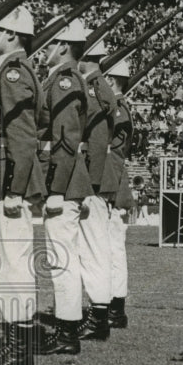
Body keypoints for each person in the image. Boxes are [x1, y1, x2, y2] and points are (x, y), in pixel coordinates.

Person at [0, 5, 47, 365]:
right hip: (6, 179)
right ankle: (15, 340)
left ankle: (19, 345)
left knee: (13, 264)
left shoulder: (12, 72)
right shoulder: (11, 69)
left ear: (12, 34)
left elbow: (22, 137)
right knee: (7, 264)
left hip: (10, 181)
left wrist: (14, 189)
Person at [35, 18, 94, 356]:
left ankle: (67, 333)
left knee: (62, 258)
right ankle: (65, 328)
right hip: (65, 179)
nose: (45, 49)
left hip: (63, 181)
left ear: (62, 45)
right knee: (62, 257)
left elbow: (66, 137)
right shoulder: (62, 78)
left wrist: (56, 188)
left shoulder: (64, 80)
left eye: (51, 42)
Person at [77, 34, 119, 341]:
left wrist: (88, 181)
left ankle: (98, 316)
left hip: (93, 178)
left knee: (94, 250)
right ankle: (98, 314)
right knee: (94, 248)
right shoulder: (98, 86)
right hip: (95, 177)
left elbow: (94, 141)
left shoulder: (93, 88)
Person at [104, 57, 135, 328]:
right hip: (113, 182)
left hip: (114, 184)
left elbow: (113, 154)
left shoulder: (117, 108)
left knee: (114, 250)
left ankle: (115, 308)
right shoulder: (117, 106)